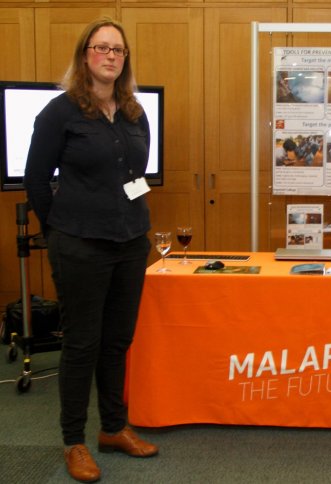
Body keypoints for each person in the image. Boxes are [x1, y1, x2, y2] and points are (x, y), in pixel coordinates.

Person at [24, 17, 159, 483]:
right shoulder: (60, 112)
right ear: (85, 55)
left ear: (125, 60)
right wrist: (58, 229)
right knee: (83, 344)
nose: (109, 56)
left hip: (129, 243)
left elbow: (135, 178)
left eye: (117, 50)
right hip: (79, 245)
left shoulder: (134, 113)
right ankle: (74, 441)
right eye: (101, 48)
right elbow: (36, 181)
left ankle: (114, 428)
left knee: (118, 341)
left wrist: (135, 218)